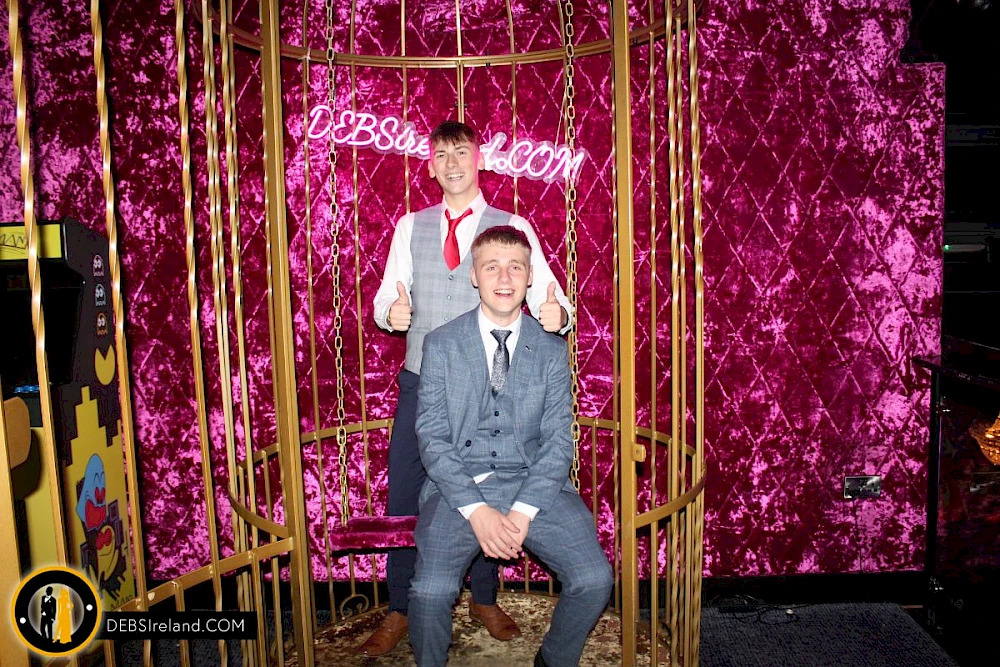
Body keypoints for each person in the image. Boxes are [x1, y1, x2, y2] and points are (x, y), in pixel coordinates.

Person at [360, 120, 574, 657]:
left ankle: (483, 598)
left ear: (480, 160)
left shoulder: (512, 224)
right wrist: (391, 314)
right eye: (441, 154)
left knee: (491, 477)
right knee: (406, 494)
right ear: (431, 166)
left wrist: (559, 315)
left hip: (494, 381)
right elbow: (385, 298)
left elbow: (550, 296)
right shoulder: (410, 226)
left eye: (461, 152)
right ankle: (401, 607)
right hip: (423, 381)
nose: (452, 162)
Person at [409, 226, 611, 666]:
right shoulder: (440, 344)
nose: (504, 278)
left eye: (515, 267)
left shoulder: (552, 351)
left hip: (533, 482)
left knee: (594, 578)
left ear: (530, 276)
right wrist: (476, 510)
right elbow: (433, 438)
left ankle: (552, 661)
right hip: (459, 487)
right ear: (473, 276)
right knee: (428, 592)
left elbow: (558, 442)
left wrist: (523, 511)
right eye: (492, 267)